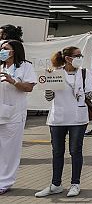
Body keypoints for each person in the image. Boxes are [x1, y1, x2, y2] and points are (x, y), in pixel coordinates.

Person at [35, 47, 92, 198]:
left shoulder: (84, 73)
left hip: (78, 118)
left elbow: (90, 95)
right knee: (57, 152)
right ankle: (56, 184)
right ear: (68, 58)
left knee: (75, 151)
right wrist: (48, 84)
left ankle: (75, 184)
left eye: (80, 55)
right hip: (58, 118)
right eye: (77, 55)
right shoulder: (55, 73)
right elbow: (49, 98)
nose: (80, 57)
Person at [0, 40, 35, 194]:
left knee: (9, 151)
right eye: (1, 48)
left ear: (14, 51)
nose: (2, 51)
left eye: (5, 49)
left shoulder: (25, 66)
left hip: (14, 114)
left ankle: (5, 182)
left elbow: (28, 87)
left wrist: (13, 81)